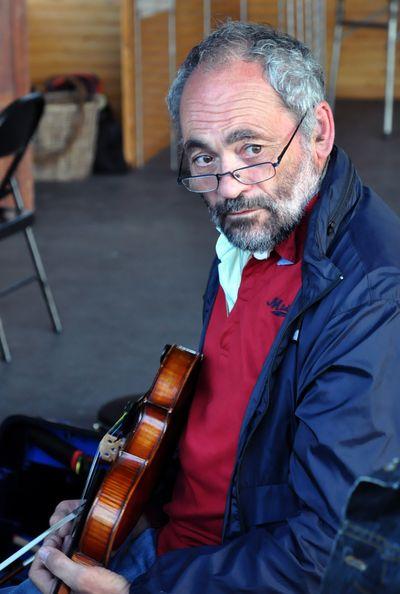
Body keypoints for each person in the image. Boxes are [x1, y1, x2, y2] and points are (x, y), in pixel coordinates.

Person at [4, 20, 400, 594]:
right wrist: (117, 509)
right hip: (164, 544)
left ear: (318, 132)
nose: (229, 186)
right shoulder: (254, 229)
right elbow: (223, 432)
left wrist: (138, 589)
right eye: (204, 158)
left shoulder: (370, 297)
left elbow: (325, 555)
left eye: (252, 149)